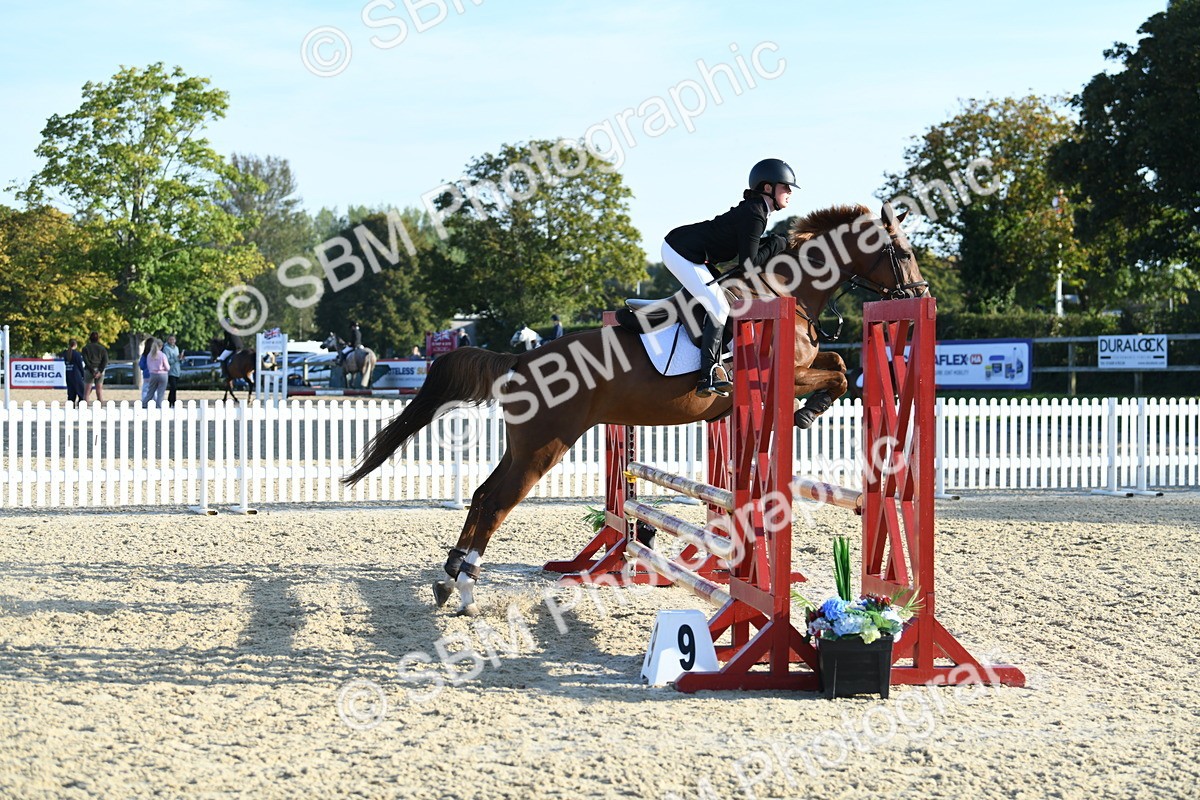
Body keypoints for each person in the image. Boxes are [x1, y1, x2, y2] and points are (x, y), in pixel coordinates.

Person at [662, 158, 798, 397]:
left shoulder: (757, 211)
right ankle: (709, 374)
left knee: (719, 298)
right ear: (768, 188)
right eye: (785, 187)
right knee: (718, 304)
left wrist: (773, 243)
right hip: (680, 250)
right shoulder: (755, 213)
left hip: (693, 254)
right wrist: (776, 244)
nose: (789, 192)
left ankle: (718, 360)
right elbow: (747, 266)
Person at [81, 331, 108, 403]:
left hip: (89, 370)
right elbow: (105, 361)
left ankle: (85, 408)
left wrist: (92, 370)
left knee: (86, 393)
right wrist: (100, 371)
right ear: (98, 339)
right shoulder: (102, 349)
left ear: (90, 339)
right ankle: (101, 408)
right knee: (99, 392)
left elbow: (86, 361)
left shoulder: (85, 348)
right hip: (99, 370)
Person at [143, 338, 169, 408]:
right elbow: (167, 367)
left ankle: (144, 404)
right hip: (163, 374)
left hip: (153, 374)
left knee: (150, 392)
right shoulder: (162, 355)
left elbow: (148, 366)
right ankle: (159, 406)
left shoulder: (149, 355)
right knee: (161, 393)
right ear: (161, 346)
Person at [62, 338, 86, 406]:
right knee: (81, 393)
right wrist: (83, 375)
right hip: (76, 375)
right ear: (75, 345)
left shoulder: (65, 354)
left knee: (71, 395)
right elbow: (80, 366)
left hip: (68, 375)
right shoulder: (77, 354)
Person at [163, 334, 182, 407]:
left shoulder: (176, 348)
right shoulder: (166, 349)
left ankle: (171, 401)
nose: (172, 341)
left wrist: (180, 358)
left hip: (177, 370)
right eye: (170, 339)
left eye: (173, 339)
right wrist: (176, 358)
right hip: (170, 371)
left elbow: (177, 359)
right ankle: (172, 402)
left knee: (174, 388)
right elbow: (167, 360)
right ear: (168, 340)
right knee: (173, 387)